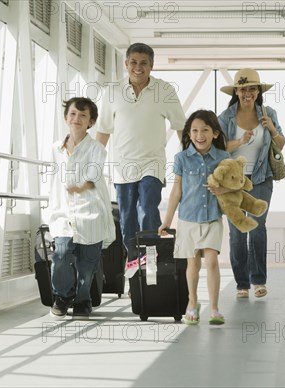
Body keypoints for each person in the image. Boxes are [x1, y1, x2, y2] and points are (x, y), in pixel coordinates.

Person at [95, 42, 186, 265]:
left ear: (151, 66)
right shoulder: (113, 91)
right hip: (122, 168)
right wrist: (94, 164)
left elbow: (180, 125)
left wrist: (189, 159)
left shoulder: (164, 90)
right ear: (126, 64)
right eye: (133, 62)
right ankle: (134, 261)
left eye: (144, 63)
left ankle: (150, 255)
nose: (138, 67)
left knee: (147, 207)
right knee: (127, 218)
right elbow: (103, 130)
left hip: (152, 164)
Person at [218, 68, 285, 299]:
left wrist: (272, 128)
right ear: (236, 91)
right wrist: (240, 141)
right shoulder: (225, 117)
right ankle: (242, 284)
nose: (248, 93)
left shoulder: (268, 113)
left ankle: (258, 281)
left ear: (258, 92)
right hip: (233, 182)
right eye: (243, 89)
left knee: (257, 227)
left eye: (252, 89)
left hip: (261, 178)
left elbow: (281, 143)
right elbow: (218, 149)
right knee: (238, 231)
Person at [44, 97, 115, 319]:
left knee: (87, 265)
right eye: (73, 114)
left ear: (91, 122)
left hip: (90, 213)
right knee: (62, 255)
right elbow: (50, 180)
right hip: (63, 213)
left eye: (83, 116)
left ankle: (83, 299)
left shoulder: (97, 149)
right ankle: (63, 296)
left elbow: (93, 177)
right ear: (66, 117)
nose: (77, 119)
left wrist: (80, 186)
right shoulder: (55, 149)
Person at [158, 110, 230, 325]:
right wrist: (167, 221)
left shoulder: (224, 158)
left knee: (212, 261)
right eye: (195, 130)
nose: (200, 135)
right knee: (193, 266)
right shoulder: (181, 158)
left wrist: (222, 190)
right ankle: (192, 302)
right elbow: (176, 191)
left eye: (205, 130)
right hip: (188, 219)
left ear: (215, 133)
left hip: (212, 218)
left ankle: (215, 308)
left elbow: (236, 187)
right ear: (189, 134)